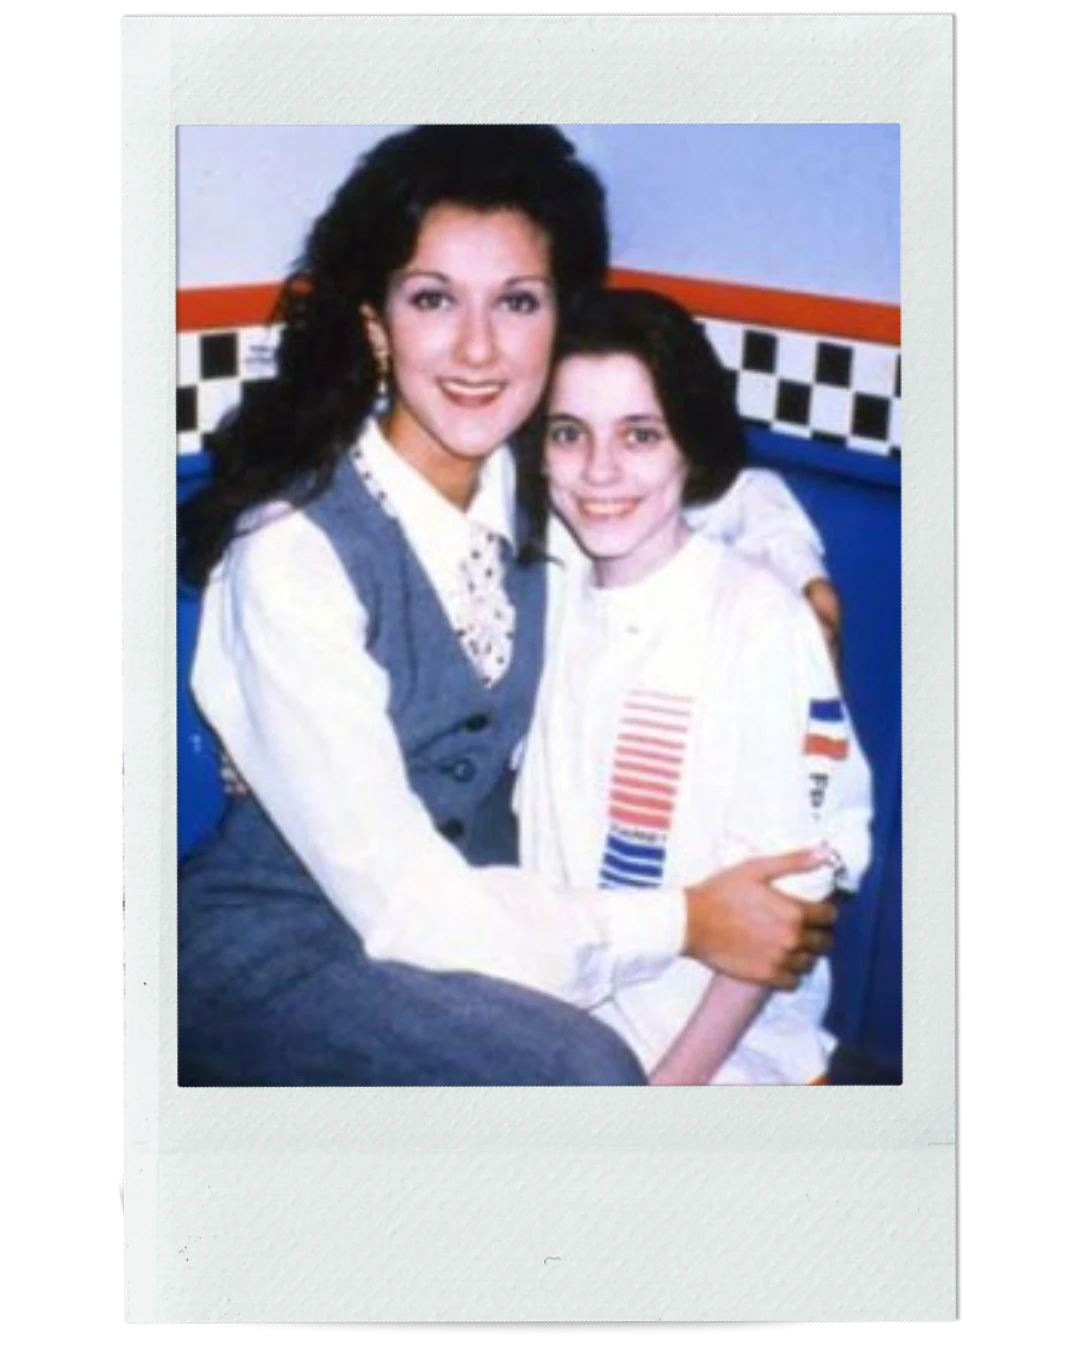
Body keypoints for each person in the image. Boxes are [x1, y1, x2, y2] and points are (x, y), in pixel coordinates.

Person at [177, 124, 839, 1087]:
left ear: (558, 319)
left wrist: (800, 573)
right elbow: (403, 903)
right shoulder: (292, 550)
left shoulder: (550, 478)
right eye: (433, 298)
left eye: (517, 301)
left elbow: (723, 488)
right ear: (376, 324)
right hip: (279, 950)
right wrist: (689, 920)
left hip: (476, 917)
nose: (479, 347)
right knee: (583, 1074)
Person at [515, 288, 873, 1084]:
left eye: (640, 434)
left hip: (726, 1068)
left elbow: (785, 900)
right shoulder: (554, 583)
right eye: (569, 433)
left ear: (690, 444)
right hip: (568, 1035)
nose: (600, 470)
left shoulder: (758, 622)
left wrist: (663, 1099)